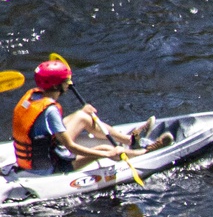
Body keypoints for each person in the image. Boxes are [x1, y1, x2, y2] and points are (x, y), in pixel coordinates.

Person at [11, 58, 152, 174]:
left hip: (37, 152)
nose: (69, 83)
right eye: (66, 81)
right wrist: (109, 154)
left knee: (82, 116)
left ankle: (131, 141)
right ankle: (145, 153)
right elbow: (71, 147)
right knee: (104, 149)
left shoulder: (33, 96)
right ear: (55, 86)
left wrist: (84, 110)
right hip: (48, 167)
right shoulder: (50, 111)